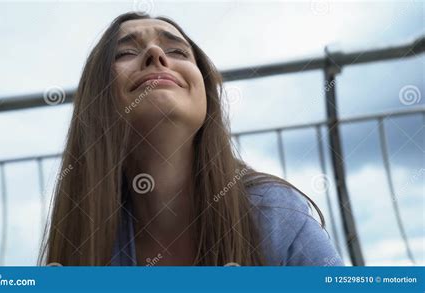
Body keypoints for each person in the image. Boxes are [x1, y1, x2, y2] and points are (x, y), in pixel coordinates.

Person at [39, 12, 344, 266]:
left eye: (177, 52)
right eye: (126, 53)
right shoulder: (85, 238)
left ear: (206, 94)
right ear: (97, 98)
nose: (155, 54)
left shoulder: (273, 214)